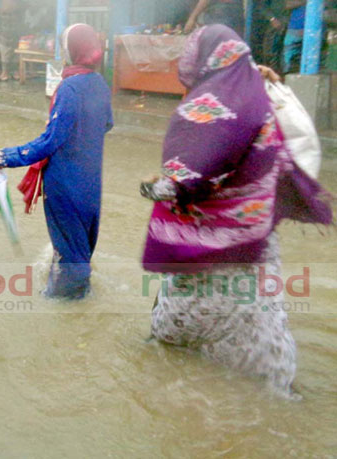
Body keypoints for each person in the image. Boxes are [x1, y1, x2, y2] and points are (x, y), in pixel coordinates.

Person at [139, 25, 332, 397]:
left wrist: (155, 188)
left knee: (175, 331)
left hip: (207, 247)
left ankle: (164, 381)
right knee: (263, 328)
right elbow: (291, 148)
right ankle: (283, 397)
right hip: (255, 242)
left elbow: (195, 175)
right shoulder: (260, 95)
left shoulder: (213, 107)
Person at [0, 24, 113, 300]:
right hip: (91, 183)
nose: (60, 51)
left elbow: (50, 141)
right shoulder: (99, 83)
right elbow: (106, 124)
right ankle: (81, 298)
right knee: (80, 247)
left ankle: (61, 306)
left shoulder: (70, 88)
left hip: (65, 184)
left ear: (73, 51)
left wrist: (3, 156)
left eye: (63, 46)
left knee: (68, 252)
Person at [0, 0, 22, 82]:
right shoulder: (2, 12)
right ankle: (7, 73)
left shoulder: (14, 11)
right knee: (6, 55)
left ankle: (11, 73)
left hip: (11, 34)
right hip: (5, 35)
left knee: (12, 55)